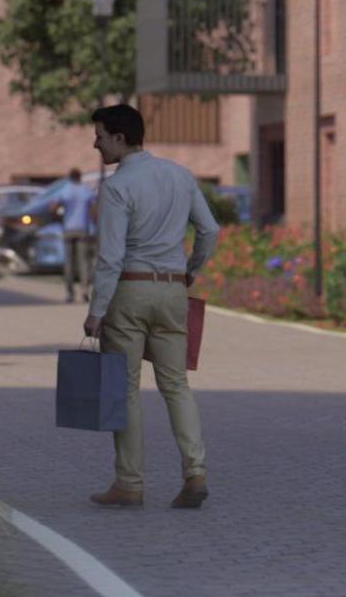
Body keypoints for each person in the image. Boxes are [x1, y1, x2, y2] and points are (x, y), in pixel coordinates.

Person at [83, 102, 217, 511]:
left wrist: (96, 310)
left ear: (120, 138)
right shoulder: (179, 174)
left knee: (124, 391)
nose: (96, 144)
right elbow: (210, 229)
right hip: (174, 291)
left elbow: (110, 256)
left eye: (101, 136)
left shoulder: (118, 187)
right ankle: (195, 472)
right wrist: (190, 269)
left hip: (130, 290)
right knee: (176, 384)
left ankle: (130, 483)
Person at [56, 166, 104, 303]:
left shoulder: (65, 190)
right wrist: (95, 225)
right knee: (84, 261)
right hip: (83, 229)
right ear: (80, 177)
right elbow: (94, 211)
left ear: (70, 177)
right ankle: (84, 291)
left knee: (68, 262)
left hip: (68, 229)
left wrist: (61, 215)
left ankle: (70, 293)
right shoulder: (86, 191)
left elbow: (53, 206)